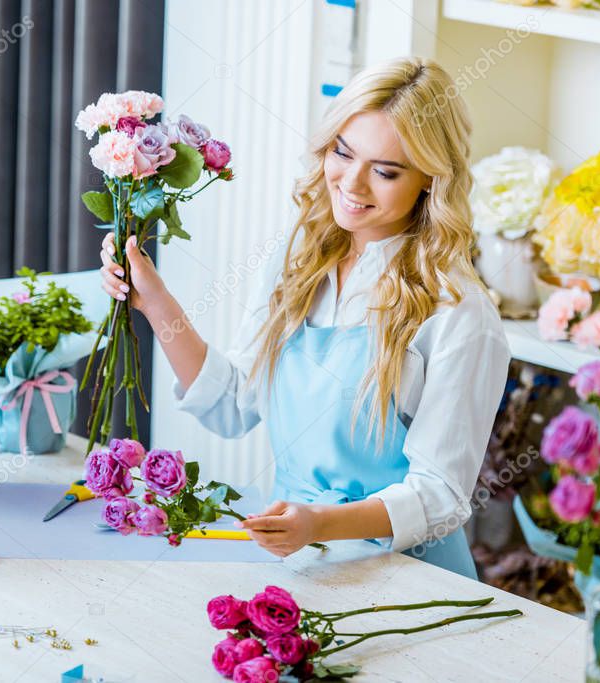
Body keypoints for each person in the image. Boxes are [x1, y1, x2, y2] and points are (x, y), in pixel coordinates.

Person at [98, 57, 510, 579]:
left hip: (408, 576)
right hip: (302, 564)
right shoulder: (299, 262)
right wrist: (154, 301)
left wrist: (319, 523)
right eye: (343, 152)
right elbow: (232, 406)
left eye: (385, 171)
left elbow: (441, 496)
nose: (353, 183)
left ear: (431, 179)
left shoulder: (460, 311)